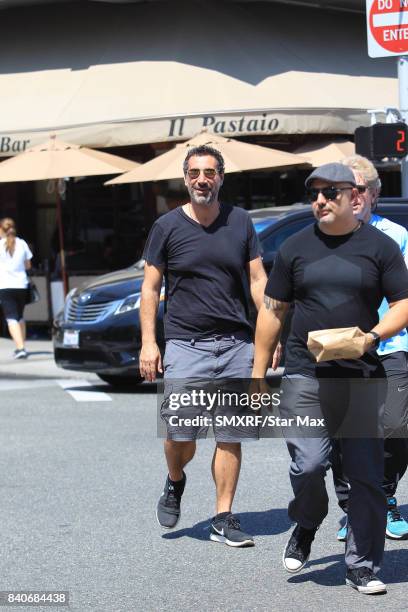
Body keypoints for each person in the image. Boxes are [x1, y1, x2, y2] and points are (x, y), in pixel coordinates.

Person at [252, 162, 408, 594]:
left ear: (352, 197)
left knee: (364, 476)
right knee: (310, 465)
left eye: (329, 192)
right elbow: (273, 311)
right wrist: (258, 372)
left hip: (361, 376)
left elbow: (403, 303)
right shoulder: (296, 248)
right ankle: (306, 520)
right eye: (314, 193)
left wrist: (373, 336)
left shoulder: (379, 247)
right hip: (305, 375)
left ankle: (361, 565)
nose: (319, 200)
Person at [139, 144, 267, 547]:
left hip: (235, 345)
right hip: (185, 345)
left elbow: (258, 282)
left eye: (210, 172)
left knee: (231, 433)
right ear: (185, 178)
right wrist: (148, 342)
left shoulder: (241, 222)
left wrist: (267, 335)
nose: (202, 180)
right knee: (180, 435)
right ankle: (175, 480)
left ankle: (223, 516)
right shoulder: (167, 227)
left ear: (221, 178)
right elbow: (150, 287)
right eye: (194, 173)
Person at [330, 155, 408, 541]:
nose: (353, 195)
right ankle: (351, 507)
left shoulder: (396, 236)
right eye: (347, 188)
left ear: (374, 194)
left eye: (361, 188)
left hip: (391, 343)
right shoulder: (325, 234)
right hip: (338, 348)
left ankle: (385, 496)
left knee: (395, 423)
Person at [0, 217, 33, 359]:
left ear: (2, 230)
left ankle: (20, 348)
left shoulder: (0, 245)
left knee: (11, 318)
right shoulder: (22, 243)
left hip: (5, 285)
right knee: (19, 316)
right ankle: (21, 345)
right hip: (21, 284)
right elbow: (28, 265)